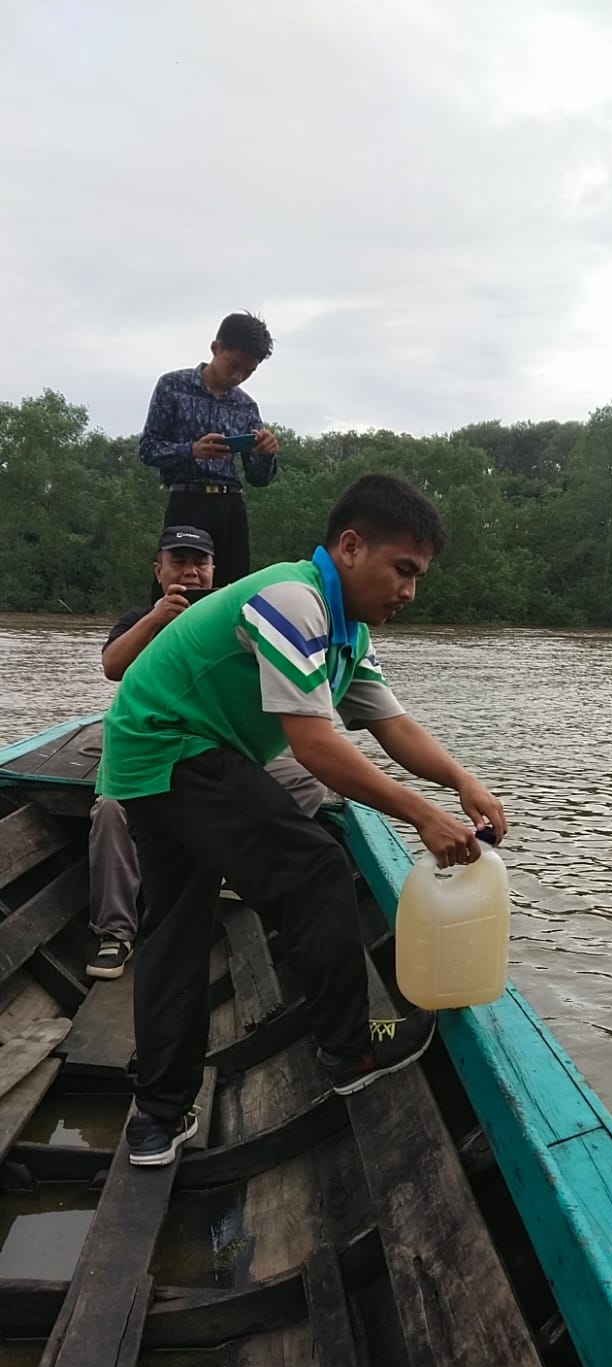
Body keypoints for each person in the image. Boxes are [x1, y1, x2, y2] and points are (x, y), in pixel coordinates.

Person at [96, 473, 508, 1167]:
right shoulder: (293, 599)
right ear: (349, 547)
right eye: (401, 570)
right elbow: (316, 746)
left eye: (418, 576)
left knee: (176, 929)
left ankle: (158, 1119)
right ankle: (350, 1049)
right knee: (314, 868)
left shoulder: (346, 634)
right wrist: (424, 818)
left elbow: (391, 724)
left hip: (155, 757)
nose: (409, 591)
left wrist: (458, 779)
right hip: (174, 746)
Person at [87, 524, 324, 980]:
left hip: (221, 748)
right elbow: (113, 667)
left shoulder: (236, 612)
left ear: (215, 569)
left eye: (201, 563)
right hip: (151, 748)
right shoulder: (141, 618)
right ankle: (115, 932)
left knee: (306, 782)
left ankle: (236, 870)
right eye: (179, 562)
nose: (192, 572)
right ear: (158, 570)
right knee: (111, 811)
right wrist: (158, 618)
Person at [139, 311, 278, 587]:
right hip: (187, 503)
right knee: (176, 594)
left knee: (234, 596)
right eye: (234, 365)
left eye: (248, 372)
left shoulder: (246, 406)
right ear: (216, 348)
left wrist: (266, 454)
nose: (238, 376)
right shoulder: (172, 387)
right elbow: (148, 449)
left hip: (231, 506)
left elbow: (257, 478)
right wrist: (192, 450)